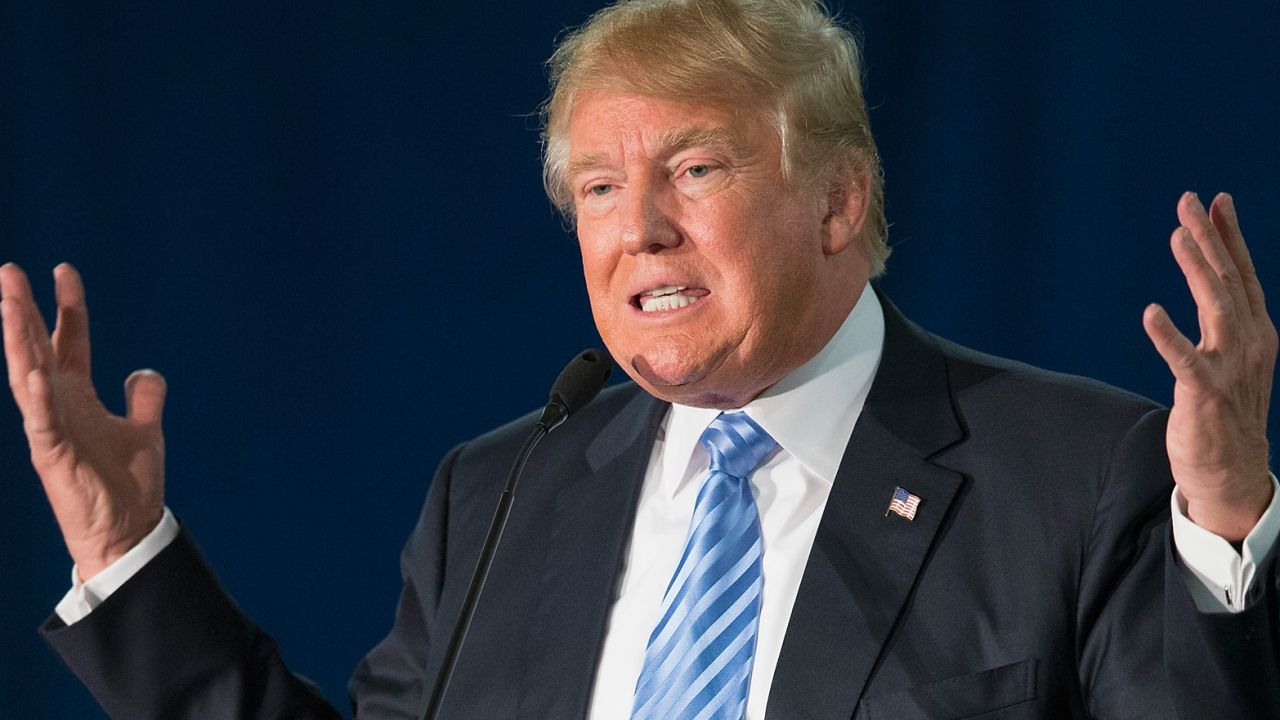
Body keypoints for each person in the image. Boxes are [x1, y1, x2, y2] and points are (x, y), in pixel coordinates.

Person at [3, 0, 1277, 718]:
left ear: (838, 203)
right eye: (601, 187)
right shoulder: (500, 494)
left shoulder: (1070, 471)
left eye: (695, 171)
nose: (640, 230)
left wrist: (1219, 524)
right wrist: (127, 556)